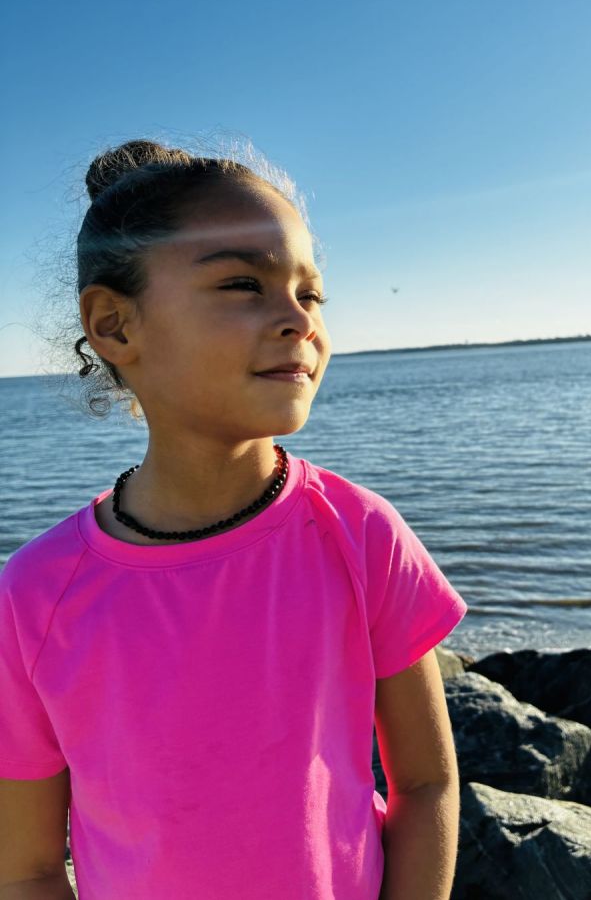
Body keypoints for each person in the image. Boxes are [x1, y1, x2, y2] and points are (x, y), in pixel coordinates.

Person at [0, 140, 469, 900]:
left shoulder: (361, 536)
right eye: (244, 283)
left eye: (311, 294)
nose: (296, 320)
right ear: (116, 325)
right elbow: (25, 867)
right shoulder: (35, 597)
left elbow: (426, 783)